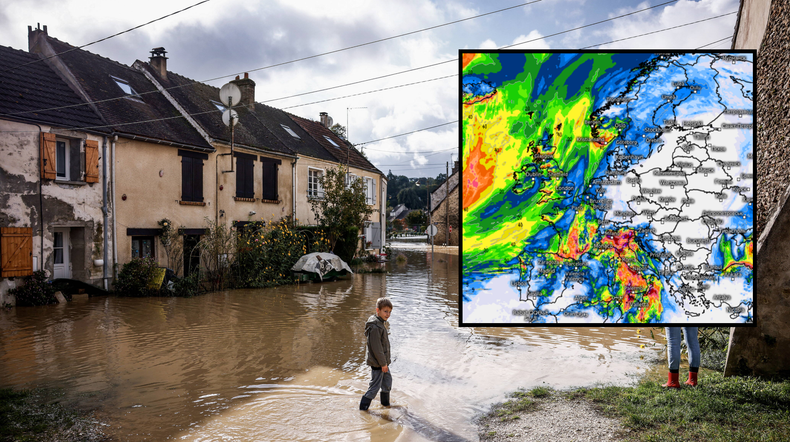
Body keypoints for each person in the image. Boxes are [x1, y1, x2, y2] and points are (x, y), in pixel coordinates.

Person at [359, 297, 393, 410]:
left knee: (387, 381)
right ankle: (363, 409)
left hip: (383, 362)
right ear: (377, 310)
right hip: (378, 362)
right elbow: (377, 348)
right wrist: (383, 364)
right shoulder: (374, 327)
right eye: (385, 311)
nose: (388, 314)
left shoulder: (380, 323)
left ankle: (385, 404)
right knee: (374, 387)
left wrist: (385, 363)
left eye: (389, 312)